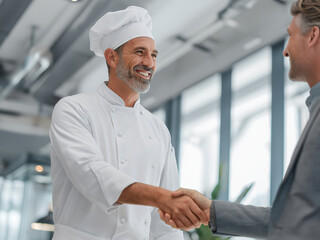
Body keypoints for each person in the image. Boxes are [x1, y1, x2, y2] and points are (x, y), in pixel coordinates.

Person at [159, 0, 320, 239]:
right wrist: (211, 211)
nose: (286, 50)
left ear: (312, 36)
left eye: (291, 35)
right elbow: (292, 220)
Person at [49, 6, 207, 240]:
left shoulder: (158, 129)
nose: (149, 62)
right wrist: (163, 197)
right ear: (111, 57)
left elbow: (164, 225)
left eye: (154, 55)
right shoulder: (74, 109)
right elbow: (93, 175)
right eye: (140, 52)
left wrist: (169, 203)